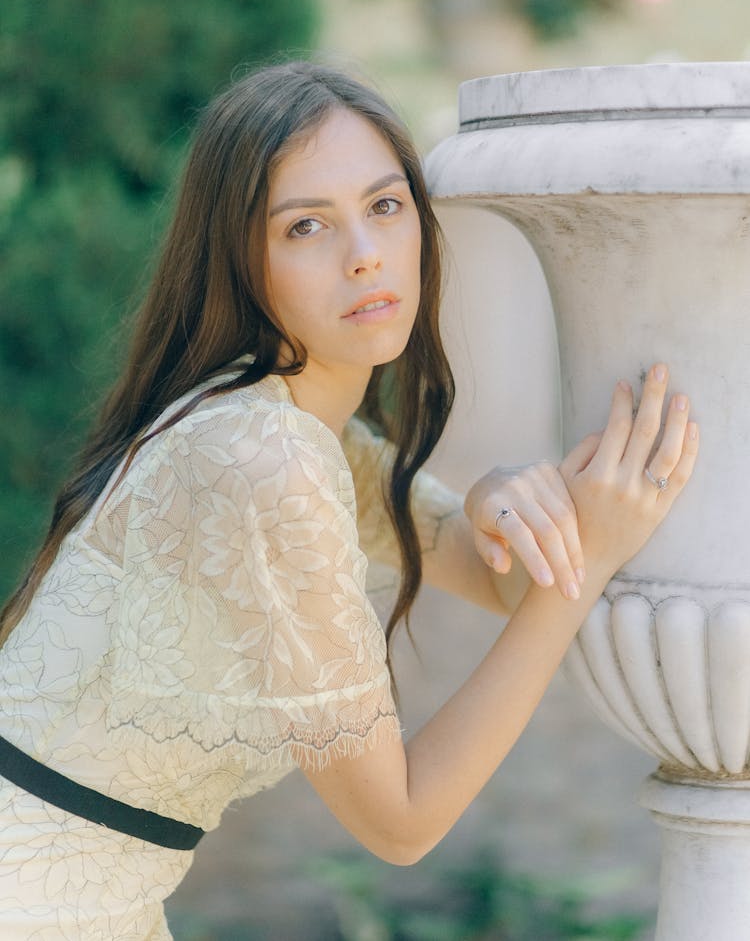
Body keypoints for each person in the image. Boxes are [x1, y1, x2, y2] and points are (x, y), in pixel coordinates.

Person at [0, 61, 698, 938]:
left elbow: (505, 582)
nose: (363, 252)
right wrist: (583, 559)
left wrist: (499, 500)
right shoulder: (262, 455)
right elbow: (400, 821)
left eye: (385, 205)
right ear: (243, 261)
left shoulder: (297, 427)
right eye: (305, 226)